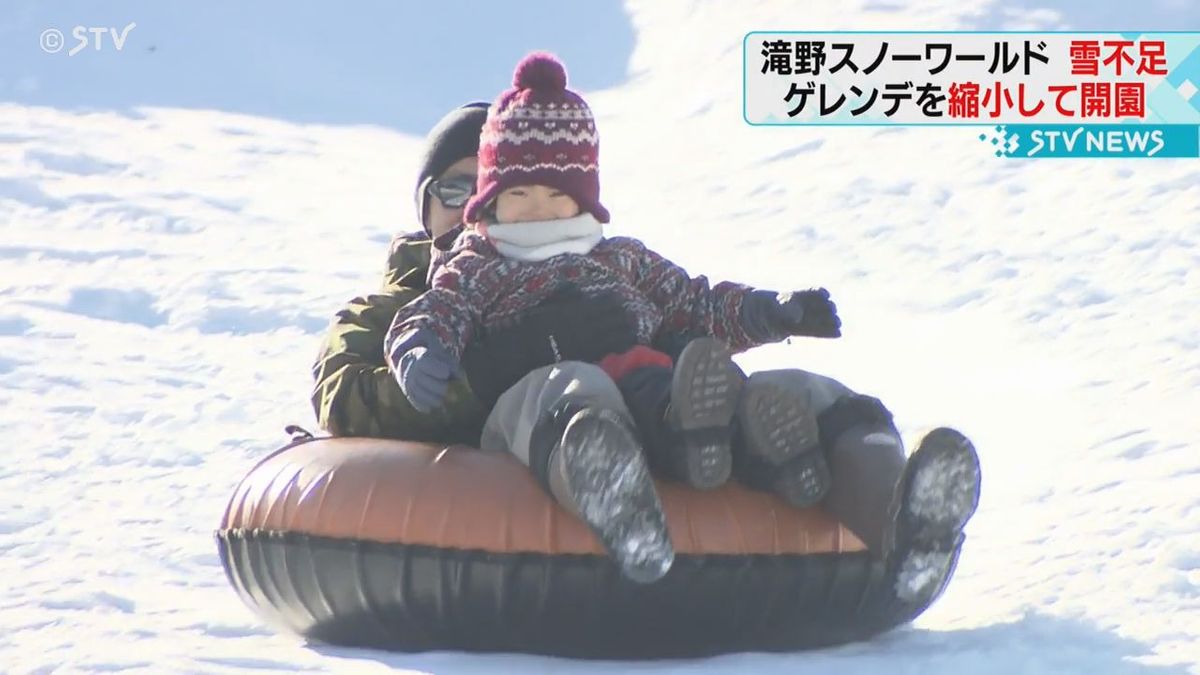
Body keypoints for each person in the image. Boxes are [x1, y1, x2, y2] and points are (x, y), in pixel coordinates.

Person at [310, 101, 637, 445]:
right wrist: (498, 362)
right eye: (454, 192)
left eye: (488, 194)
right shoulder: (389, 310)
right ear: (425, 208)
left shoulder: (588, 282)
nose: (471, 211)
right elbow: (340, 396)